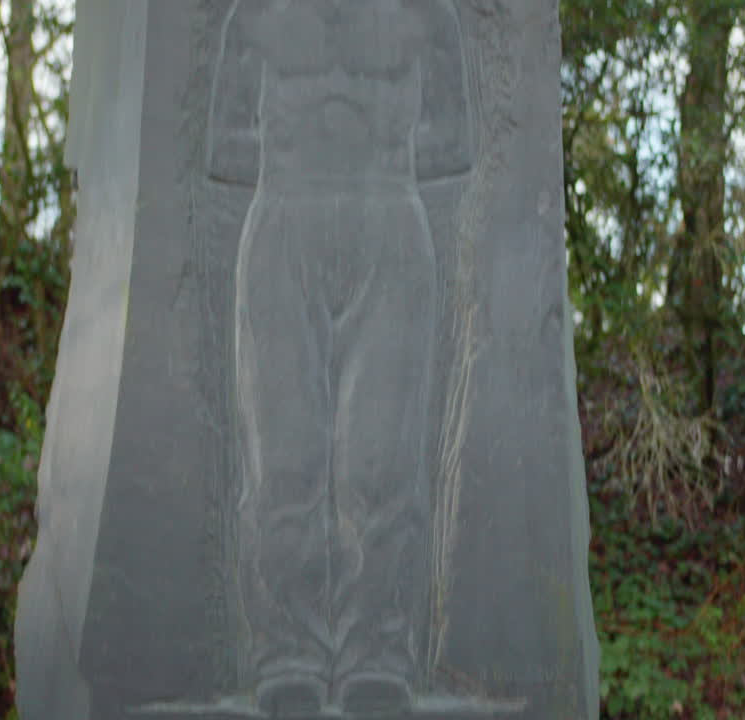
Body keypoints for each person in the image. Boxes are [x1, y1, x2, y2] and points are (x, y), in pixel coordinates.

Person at [206, 1, 471, 714]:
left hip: (388, 217)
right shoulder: (253, 12)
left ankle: (377, 654)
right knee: (283, 458)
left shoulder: (430, 15)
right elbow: (226, 146)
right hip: (282, 219)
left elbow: (452, 142)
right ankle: (285, 652)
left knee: (381, 460)